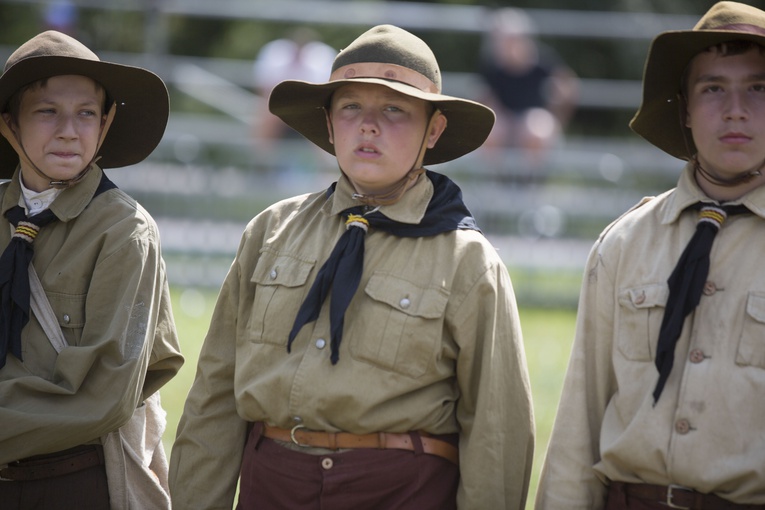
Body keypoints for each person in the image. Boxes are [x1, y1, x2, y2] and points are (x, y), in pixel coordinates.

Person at [170, 24, 534, 510]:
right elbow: (214, 397)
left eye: (395, 110)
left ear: (434, 130)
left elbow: (497, 432)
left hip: (399, 493)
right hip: (271, 487)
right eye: (350, 107)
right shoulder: (269, 233)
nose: (368, 125)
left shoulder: (467, 261)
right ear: (328, 124)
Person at [536, 2, 765, 509]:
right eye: (712, 89)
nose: (735, 110)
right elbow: (581, 420)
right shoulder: (625, 243)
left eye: (758, 87)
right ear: (683, 107)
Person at [0, 30, 183, 509]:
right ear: (8, 124)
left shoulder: (124, 232)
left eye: (86, 113)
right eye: (46, 111)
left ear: (106, 124)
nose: (68, 130)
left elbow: (103, 395)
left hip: (72, 482)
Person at [478, 7, 578, 178]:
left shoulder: (542, 61)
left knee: (534, 128)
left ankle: (531, 183)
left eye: (508, 39)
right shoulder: (493, 66)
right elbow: (485, 99)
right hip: (506, 120)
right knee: (490, 131)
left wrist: (556, 120)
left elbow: (568, 89)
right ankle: (498, 182)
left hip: (533, 120)